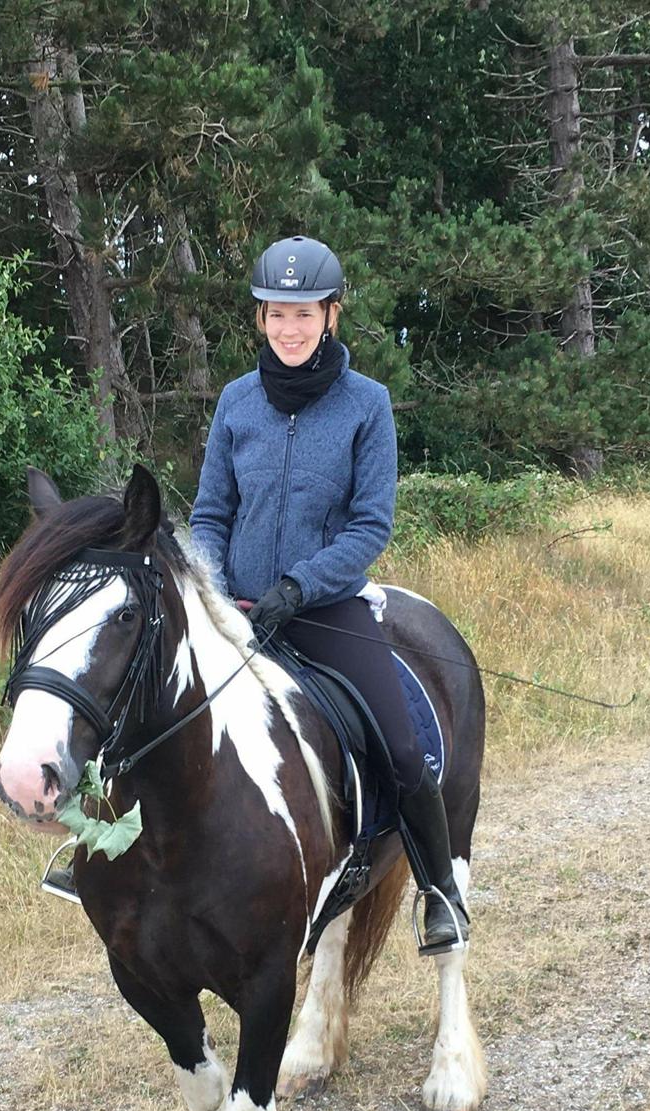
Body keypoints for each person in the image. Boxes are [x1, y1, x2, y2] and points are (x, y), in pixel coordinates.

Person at [185, 235, 469, 954]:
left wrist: (298, 586)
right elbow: (210, 513)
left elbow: (371, 525)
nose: (289, 327)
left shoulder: (366, 405)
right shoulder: (236, 403)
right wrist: (215, 591)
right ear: (260, 318)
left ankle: (439, 891)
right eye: (276, 313)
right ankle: (103, 858)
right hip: (236, 612)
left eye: (304, 313)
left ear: (330, 316)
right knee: (147, 702)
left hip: (326, 609)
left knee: (402, 748)